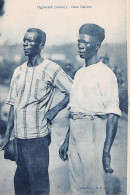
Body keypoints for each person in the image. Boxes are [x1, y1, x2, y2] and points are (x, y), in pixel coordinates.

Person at [0, 28, 72, 195]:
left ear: (41, 45)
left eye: (31, 40)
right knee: (21, 186)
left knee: (39, 187)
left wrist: (55, 109)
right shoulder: (18, 71)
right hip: (19, 139)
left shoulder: (51, 68)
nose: (26, 43)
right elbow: (13, 105)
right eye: (24, 39)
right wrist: (7, 135)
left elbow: (74, 91)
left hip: (38, 139)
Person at [59, 24, 121, 194]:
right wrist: (66, 141)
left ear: (97, 45)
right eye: (79, 41)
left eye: (85, 42)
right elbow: (76, 109)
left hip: (93, 129)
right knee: (76, 185)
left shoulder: (105, 73)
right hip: (75, 130)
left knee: (94, 184)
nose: (81, 45)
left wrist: (106, 151)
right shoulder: (79, 73)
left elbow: (113, 114)